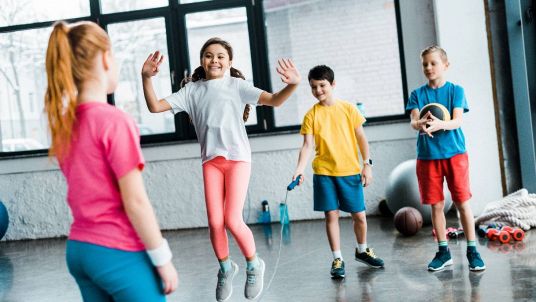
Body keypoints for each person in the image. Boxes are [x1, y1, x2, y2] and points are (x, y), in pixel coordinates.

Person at [141, 37, 301, 301]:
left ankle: (253, 264)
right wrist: (147, 78)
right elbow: (155, 106)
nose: (214, 60)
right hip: (211, 162)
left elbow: (274, 100)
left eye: (220, 56)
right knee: (215, 222)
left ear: (229, 62)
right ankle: (226, 268)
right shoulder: (191, 91)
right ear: (201, 60)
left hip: (238, 159)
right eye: (208, 55)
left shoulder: (237, 86)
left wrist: (293, 84)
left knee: (231, 219)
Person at [44, 21, 178, 301]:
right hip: (115, 249)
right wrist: (163, 259)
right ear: (106, 58)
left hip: (80, 251)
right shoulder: (114, 121)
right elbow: (136, 201)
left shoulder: (66, 124)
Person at [292, 65, 384, 279]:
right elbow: (306, 146)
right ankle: (337, 258)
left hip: (350, 171)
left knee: (359, 216)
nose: (318, 90)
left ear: (332, 84)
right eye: (313, 87)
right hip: (324, 173)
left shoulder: (349, 109)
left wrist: (367, 164)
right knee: (331, 215)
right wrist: (299, 169)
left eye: (322, 85)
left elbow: (361, 138)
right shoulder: (311, 115)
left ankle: (362, 251)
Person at [406, 45, 485, 272]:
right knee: (436, 205)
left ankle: (472, 251)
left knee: (462, 203)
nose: (429, 68)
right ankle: (443, 252)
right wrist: (420, 124)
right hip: (428, 157)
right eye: (425, 64)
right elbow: (413, 121)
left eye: (433, 63)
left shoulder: (455, 91)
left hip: (455, 155)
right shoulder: (417, 94)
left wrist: (441, 124)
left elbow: (458, 120)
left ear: (445, 65)